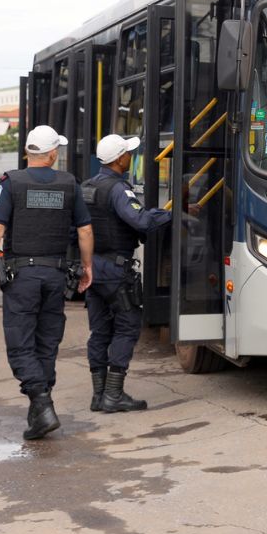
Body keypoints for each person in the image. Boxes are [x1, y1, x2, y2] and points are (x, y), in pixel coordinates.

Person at [0, 124, 94, 440]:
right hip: (55, 276)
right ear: (53, 153)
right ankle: (40, 413)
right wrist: (87, 266)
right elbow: (85, 231)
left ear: (29, 152)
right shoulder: (70, 183)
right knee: (47, 340)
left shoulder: (11, 183)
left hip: (21, 277)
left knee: (21, 342)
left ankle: (41, 402)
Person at [82, 134, 172, 413]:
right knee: (127, 327)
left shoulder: (86, 187)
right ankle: (113, 395)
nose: (130, 157)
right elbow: (140, 220)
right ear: (120, 159)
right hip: (114, 271)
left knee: (99, 331)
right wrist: (169, 213)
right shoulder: (119, 190)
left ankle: (99, 396)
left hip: (91, 268)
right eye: (128, 154)